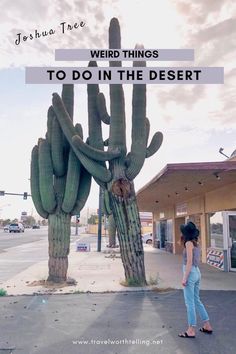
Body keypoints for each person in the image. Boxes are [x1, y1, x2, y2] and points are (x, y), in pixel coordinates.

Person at [178, 221, 213, 338]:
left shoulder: (188, 243)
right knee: (197, 300)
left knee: (190, 303)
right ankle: (207, 325)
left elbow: (188, 262)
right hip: (197, 272)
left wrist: (184, 278)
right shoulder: (195, 243)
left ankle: (191, 330)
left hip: (190, 272)